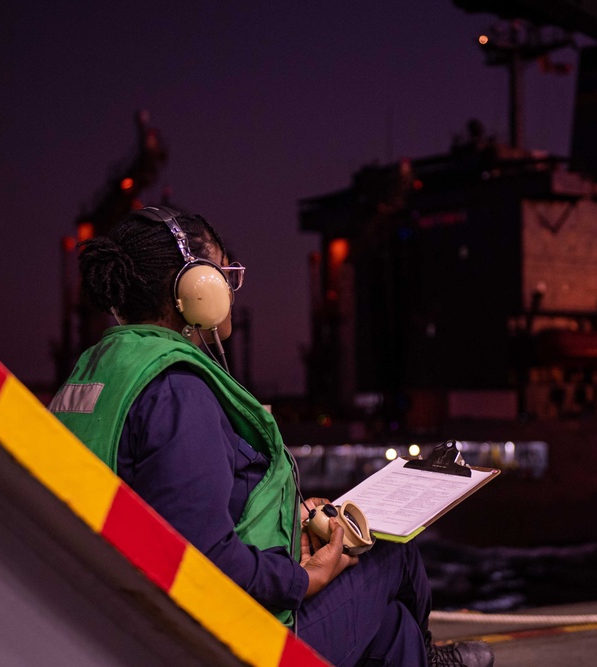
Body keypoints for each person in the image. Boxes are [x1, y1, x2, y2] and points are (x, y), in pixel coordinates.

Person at [50, 206, 494, 667]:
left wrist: (291, 522)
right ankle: (428, 658)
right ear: (196, 289)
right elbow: (205, 566)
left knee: (389, 626)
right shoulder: (177, 391)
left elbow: (172, 513)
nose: (230, 289)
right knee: (391, 553)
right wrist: (302, 580)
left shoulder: (99, 369)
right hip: (211, 644)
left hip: (122, 622)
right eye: (224, 275)